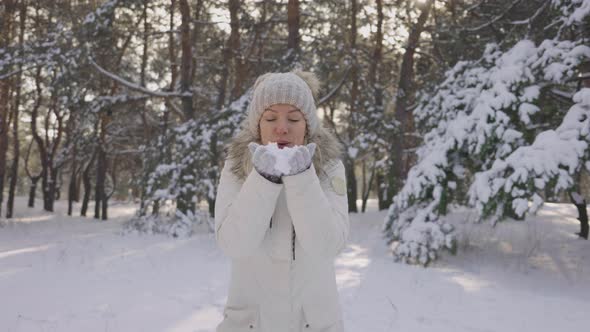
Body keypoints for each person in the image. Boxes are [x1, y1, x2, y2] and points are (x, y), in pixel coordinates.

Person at [214, 69, 350, 332]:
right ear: (258, 125)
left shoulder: (329, 169)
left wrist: (302, 177)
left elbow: (328, 246)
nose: (281, 128)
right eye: (271, 118)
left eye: (294, 118)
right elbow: (233, 245)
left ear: (307, 125)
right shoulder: (236, 168)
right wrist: (262, 178)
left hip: (314, 323)